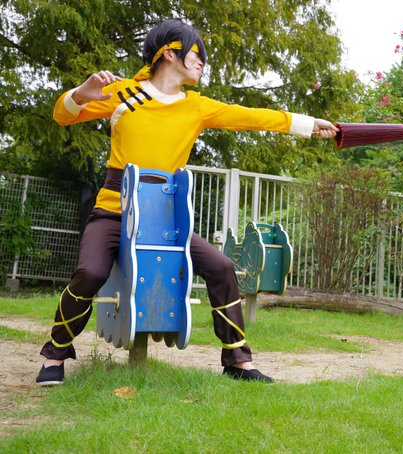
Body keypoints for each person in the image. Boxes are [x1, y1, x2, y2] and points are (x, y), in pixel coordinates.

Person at [36, 19, 339, 386]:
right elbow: (62, 115)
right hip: (114, 210)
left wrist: (309, 124)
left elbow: (251, 117)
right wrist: (82, 93)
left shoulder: (196, 107)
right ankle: (56, 353)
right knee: (91, 273)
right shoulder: (123, 94)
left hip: (166, 219)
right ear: (169, 53)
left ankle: (237, 360)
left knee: (222, 267)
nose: (202, 62)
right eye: (196, 54)